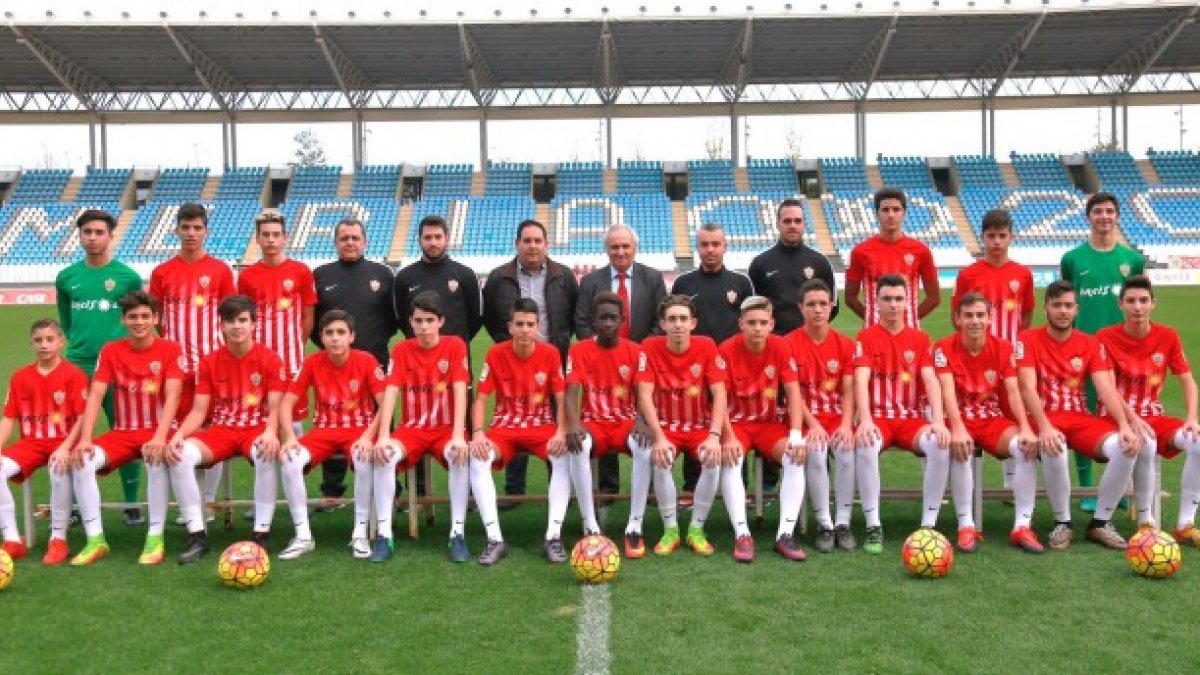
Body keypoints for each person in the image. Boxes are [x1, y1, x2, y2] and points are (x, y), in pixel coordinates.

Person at [1015, 280, 1151, 550]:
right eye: (1056, 306)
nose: (1062, 311)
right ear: (1046, 309)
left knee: (1127, 446)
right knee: (1056, 448)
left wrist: (1124, 424)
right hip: (1043, 417)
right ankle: (1062, 523)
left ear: (1076, 309)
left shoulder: (1089, 344)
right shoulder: (1027, 339)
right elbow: (1026, 388)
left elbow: (1105, 389)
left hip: (1079, 417)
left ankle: (1100, 522)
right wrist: (1043, 426)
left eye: (1068, 306)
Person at [154, 295, 285, 565]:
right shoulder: (209, 361)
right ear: (221, 325)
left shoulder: (270, 359)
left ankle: (261, 533)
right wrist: (178, 436)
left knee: (266, 453)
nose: (237, 326)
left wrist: (271, 432)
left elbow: (275, 408)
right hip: (221, 429)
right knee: (181, 454)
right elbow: (199, 411)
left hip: (256, 428)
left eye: (243, 320)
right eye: (230, 321)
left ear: (253, 324)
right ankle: (197, 535)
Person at [468, 298, 594, 566]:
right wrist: (478, 433)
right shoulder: (495, 354)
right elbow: (480, 399)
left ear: (538, 326)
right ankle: (494, 538)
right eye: (520, 324)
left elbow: (561, 399)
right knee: (478, 458)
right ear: (510, 327)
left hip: (542, 428)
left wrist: (560, 432)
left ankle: (553, 536)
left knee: (562, 456)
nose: (525, 330)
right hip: (504, 428)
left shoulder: (549, 353)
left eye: (530, 324)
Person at [64, 291, 184, 565]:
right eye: (132, 317)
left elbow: (174, 395)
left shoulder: (170, 349)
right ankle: (96, 540)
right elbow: (95, 394)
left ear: (155, 318)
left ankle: (155, 537)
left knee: (156, 460)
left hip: (157, 429)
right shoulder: (110, 350)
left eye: (145, 316)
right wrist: (85, 439)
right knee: (82, 461)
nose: (139, 322)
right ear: (123, 320)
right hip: (123, 432)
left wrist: (160, 436)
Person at [55, 209, 144, 525]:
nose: (92, 237)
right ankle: (78, 503)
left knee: (126, 432)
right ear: (80, 235)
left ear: (110, 235)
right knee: (76, 435)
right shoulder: (67, 277)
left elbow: (137, 321)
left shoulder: (127, 277)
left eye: (99, 232)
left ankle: (132, 502)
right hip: (78, 367)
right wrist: (80, 347)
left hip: (121, 369)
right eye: (87, 232)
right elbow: (66, 321)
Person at [933, 292, 1040, 553]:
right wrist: (957, 428)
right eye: (968, 315)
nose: (975, 321)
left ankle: (1022, 526)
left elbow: (1013, 392)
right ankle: (966, 526)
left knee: (1023, 446)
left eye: (980, 315)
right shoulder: (943, 347)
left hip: (991, 419)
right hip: (958, 418)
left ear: (990, 318)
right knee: (961, 449)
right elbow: (946, 391)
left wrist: (1025, 427)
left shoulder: (1003, 348)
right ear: (958, 318)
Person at [851, 275, 950, 554]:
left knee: (940, 444)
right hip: (879, 418)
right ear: (877, 303)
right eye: (887, 299)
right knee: (867, 443)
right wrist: (866, 419)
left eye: (898, 299)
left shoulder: (919, 339)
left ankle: (928, 525)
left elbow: (931, 380)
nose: (893, 305)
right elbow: (860, 380)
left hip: (911, 420)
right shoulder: (866, 336)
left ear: (908, 302)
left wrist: (939, 421)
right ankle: (873, 525)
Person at [278, 310, 389, 560]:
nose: (335, 338)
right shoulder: (312, 362)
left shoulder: (366, 360)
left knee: (363, 458)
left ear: (352, 336)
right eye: (329, 333)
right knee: (289, 460)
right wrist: (290, 437)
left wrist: (368, 435)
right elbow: (286, 403)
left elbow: (385, 402)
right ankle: (303, 535)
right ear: (321, 337)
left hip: (358, 430)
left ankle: (359, 532)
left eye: (341, 332)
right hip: (324, 431)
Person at [482, 220, 578, 508]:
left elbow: (572, 313)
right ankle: (514, 491)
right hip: (514, 363)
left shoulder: (563, 276)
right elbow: (490, 315)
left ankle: (559, 488)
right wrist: (506, 342)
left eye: (538, 240)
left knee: (554, 422)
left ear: (546, 244)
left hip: (553, 360)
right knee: (515, 420)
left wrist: (558, 341)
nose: (533, 246)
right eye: (527, 240)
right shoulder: (500, 277)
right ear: (518, 244)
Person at [1097, 275, 1200, 543]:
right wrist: (1131, 419)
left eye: (1143, 300)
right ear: (1121, 305)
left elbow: (1188, 381)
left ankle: (1185, 524)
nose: (1137, 307)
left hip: (1153, 415)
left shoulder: (1167, 336)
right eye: (1131, 301)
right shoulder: (1106, 337)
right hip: (1114, 417)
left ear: (1153, 303)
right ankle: (1146, 521)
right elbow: (1107, 387)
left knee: (1198, 441)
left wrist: (1191, 418)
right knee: (1146, 440)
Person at [1060, 193, 1146, 510]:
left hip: (1122, 351)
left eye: (1110, 211)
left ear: (1118, 216)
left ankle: (1118, 486)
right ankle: (1085, 489)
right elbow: (1065, 303)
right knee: (1084, 414)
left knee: (1120, 413)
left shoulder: (1132, 260)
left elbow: (1140, 300)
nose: (1104, 217)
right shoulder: (1073, 259)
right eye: (1098, 211)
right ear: (1088, 217)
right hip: (1081, 352)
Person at [373, 291, 472, 562]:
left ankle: (457, 533)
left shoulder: (455, 345)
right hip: (411, 430)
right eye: (419, 320)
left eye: (430, 319)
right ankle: (384, 534)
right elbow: (391, 392)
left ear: (441, 321)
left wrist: (459, 435)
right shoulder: (402, 349)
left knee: (459, 456)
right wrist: (383, 436)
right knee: (384, 456)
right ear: (411, 322)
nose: (424, 326)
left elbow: (461, 390)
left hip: (445, 427)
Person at [576, 224, 668, 512]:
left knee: (645, 419)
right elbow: (581, 321)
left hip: (642, 363)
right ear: (607, 249)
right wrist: (601, 352)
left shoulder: (652, 278)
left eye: (626, 246)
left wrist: (637, 353)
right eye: (615, 247)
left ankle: (652, 486)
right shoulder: (591, 281)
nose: (621, 252)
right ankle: (608, 487)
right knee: (603, 418)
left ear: (634, 248)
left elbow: (659, 319)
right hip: (602, 364)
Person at [390, 214, 481, 502]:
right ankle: (417, 491)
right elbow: (401, 319)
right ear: (419, 240)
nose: (432, 242)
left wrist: (453, 346)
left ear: (447, 238)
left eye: (437, 237)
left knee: (462, 424)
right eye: (427, 237)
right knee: (413, 422)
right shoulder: (405, 277)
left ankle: (468, 493)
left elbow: (475, 318)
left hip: (455, 366)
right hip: (417, 369)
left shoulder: (464, 274)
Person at [635, 295, 730, 558]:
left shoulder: (707, 346)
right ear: (663, 324)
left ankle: (696, 529)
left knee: (713, 459)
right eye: (672, 319)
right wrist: (659, 437)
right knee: (661, 458)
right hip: (666, 426)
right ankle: (671, 529)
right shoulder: (649, 347)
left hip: (699, 425)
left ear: (693, 323)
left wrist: (714, 435)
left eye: (683, 319)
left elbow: (720, 393)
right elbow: (644, 395)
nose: (678, 324)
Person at [312, 218, 397, 508]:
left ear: (365, 241)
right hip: (333, 365)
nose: (350, 242)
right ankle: (332, 491)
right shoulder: (321, 275)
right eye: (344, 238)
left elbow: (392, 320)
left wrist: (370, 346)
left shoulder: (382, 274)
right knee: (331, 417)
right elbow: (315, 322)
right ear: (335, 242)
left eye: (355, 238)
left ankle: (391, 489)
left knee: (382, 417)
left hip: (374, 361)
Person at [718, 296, 807, 561]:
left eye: (763, 323)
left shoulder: (780, 347)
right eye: (752, 322)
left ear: (772, 325)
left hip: (769, 423)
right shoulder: (726, 350)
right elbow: (719, 398)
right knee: (731, 460)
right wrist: (728, 436)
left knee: (795, 457)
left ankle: (785, 534)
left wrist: (795, 434)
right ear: (741, 324)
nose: (757, 328)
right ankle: (742, 534)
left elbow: (793, 392)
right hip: (737, 424)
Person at [671, 222, 755, 505]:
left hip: (733, 366)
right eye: (705, 244)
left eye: (715, 244)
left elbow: (749, 322)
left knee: (734, 419)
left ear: (725, 246)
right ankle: (691, 485)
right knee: (693, 418)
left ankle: (739, 483)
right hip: (694, 366)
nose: (710, 250)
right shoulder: (684, 283)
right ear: (698, 247)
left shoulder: (740, 282)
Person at [952, 208, 1035, 491]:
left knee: (1012, 411)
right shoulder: (968, 274)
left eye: (1002, 236)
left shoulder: (1023, 274)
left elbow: (1026, 316)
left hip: (1009, 358)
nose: (997, 242)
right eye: (991, 236)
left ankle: (1011, 481)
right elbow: (957, 316)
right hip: (977, 359)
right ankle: (968, 482)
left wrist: (1011, 344)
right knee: (975, 414)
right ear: (983, 237)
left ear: (1011, 237)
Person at [0, 320, 89, 562]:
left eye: (50, 339)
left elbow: (82, 418)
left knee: (58, 468)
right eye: (39, 340)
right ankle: (12, 540)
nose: (44, 345)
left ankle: (58, 539)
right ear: (31, 343)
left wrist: (65, 447)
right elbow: (8, 418)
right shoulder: (20, 377)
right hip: (30, 445)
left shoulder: (74, 375)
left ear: (61, 342)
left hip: (64, 441)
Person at [561, 292, 637, 555]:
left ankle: (635, 525)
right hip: (593, 422)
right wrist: (572, 423)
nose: (607, 323)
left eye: (612, 318)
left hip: (625, 422)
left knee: (647, 447)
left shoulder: (635, 351)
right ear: (593, 321)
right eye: (602, 318)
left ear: (622, 320)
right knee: (578, 447)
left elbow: (644, 393)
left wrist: (642, 421)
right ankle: (589, 522)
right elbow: (571, 392)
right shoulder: (579, 350)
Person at [785, 279, 857, 553]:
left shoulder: (845, 344)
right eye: (811, 305)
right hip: (803, 419)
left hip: (837, 417)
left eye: (823, 304)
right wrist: (812, 424)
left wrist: (846, 425)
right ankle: (824, 523)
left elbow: (849, 392)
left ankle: (843, 522)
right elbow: (793, 394)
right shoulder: (788, 344)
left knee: (846, 450)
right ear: (801, 308)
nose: (818, 310)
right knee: (815, 451)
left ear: (832, 306)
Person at [148, 203, 237, 423]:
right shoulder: (162, 272)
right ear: (176, 230)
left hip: (212, 363)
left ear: (206, 231)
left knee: (215, 426)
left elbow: (230, 317)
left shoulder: (220, 270)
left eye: (197, 228)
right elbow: (156, 317)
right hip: (176, 365)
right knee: (177, 427)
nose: (191, 233)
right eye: (185, 227)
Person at [845, 188, 940, 328]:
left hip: (909, 334)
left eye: (896, 210)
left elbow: (934, 297)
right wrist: (873, 318)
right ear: (877, 214)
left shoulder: (921, 251)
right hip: (874, 335)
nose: (891, 215)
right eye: (885, 210)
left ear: (904, 213)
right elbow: (850, 297)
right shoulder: (860, 252)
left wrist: (909, 318)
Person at [748, 198, 838, 334]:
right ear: (778, 224)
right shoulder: (760, 264)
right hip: (774, 343)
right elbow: (752, 308)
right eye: (787, 221)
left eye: (797, 221)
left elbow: (833, 306)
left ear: (804, 224)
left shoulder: (820, 262)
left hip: (808, 343)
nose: (792, 225)